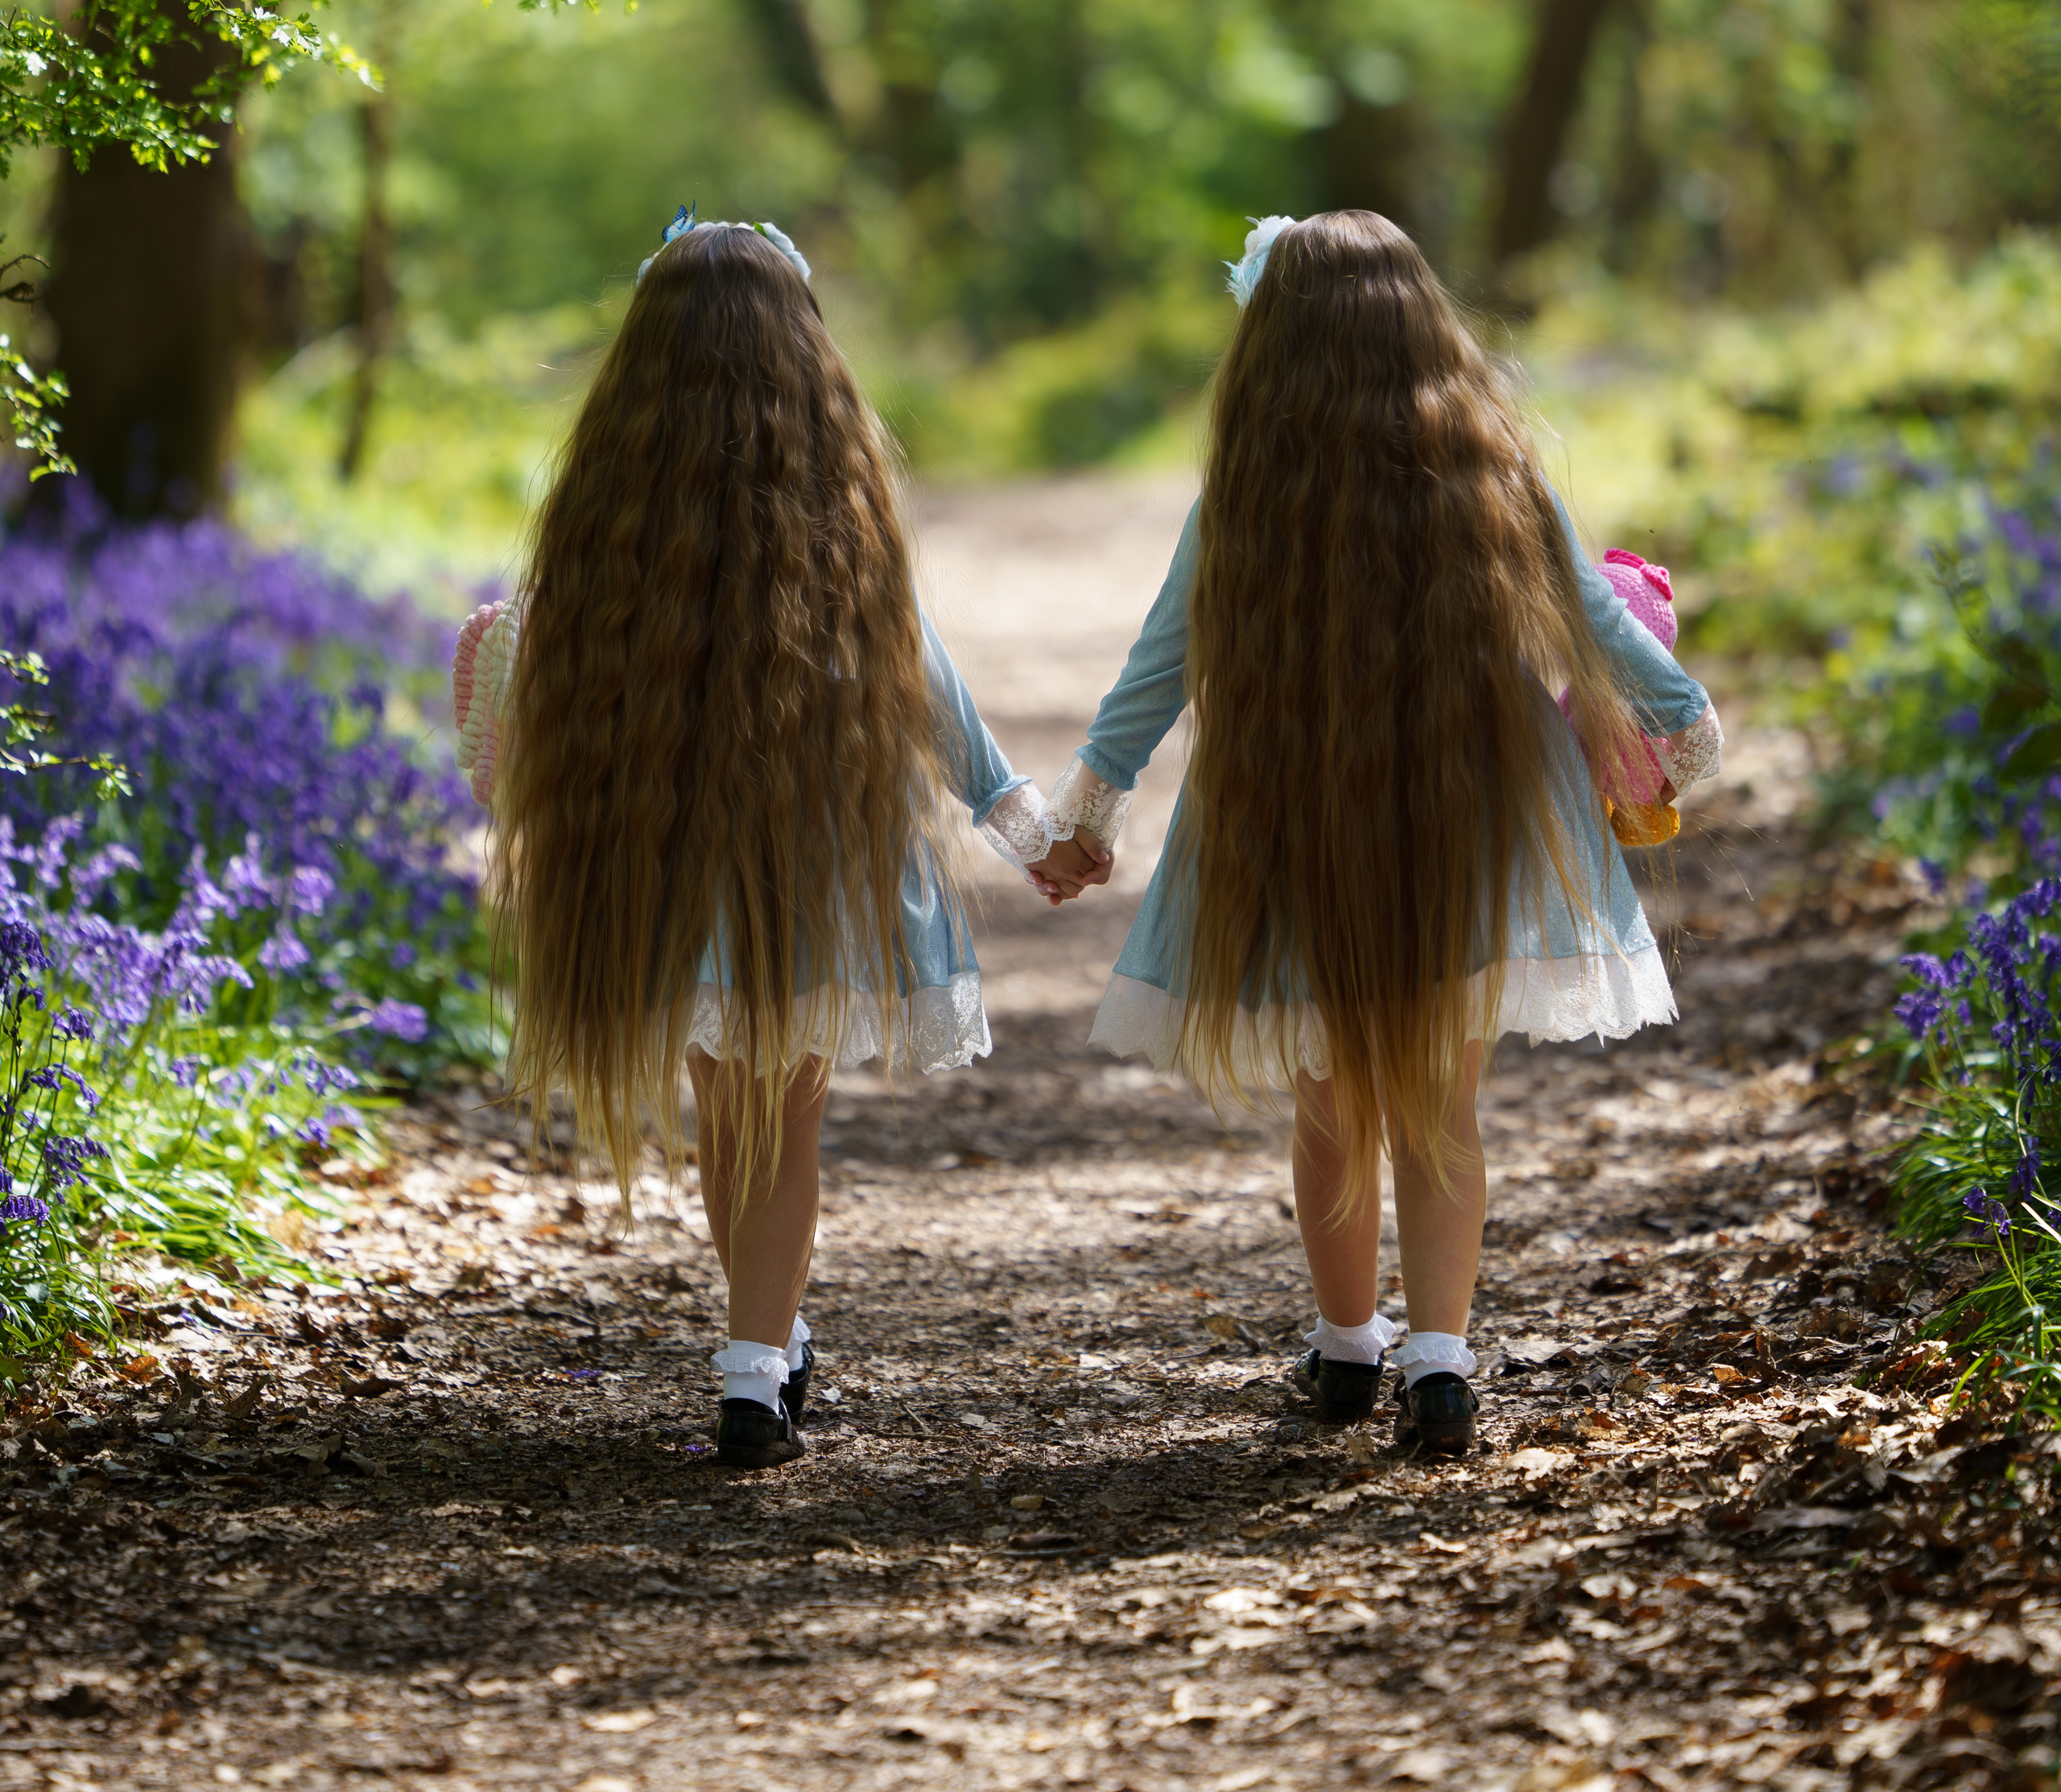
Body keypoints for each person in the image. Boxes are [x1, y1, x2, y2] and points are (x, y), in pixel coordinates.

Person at [1029, 210, 1721, 1457]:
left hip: (1291, 808)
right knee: (1443, 1107)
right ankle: (1441, 1369)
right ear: (1424, 327)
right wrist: (1682, 721)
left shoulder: (1243, 488)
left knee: (1328, 1100)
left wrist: (1092, 807)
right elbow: (1589, 621)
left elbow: (1160, 664)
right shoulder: (1490, 461)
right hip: (1473, 807)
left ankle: (1348, 1350)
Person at [454, 209, 1061, 1470]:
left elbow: (547, 693)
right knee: (782, 1125)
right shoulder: (837, 520)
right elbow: (925, 676)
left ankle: (762, 1352)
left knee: (730, 1115)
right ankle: (752, 1371)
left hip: (668, 871)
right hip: (810, 874)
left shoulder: (606, 521)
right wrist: (1021, 821)